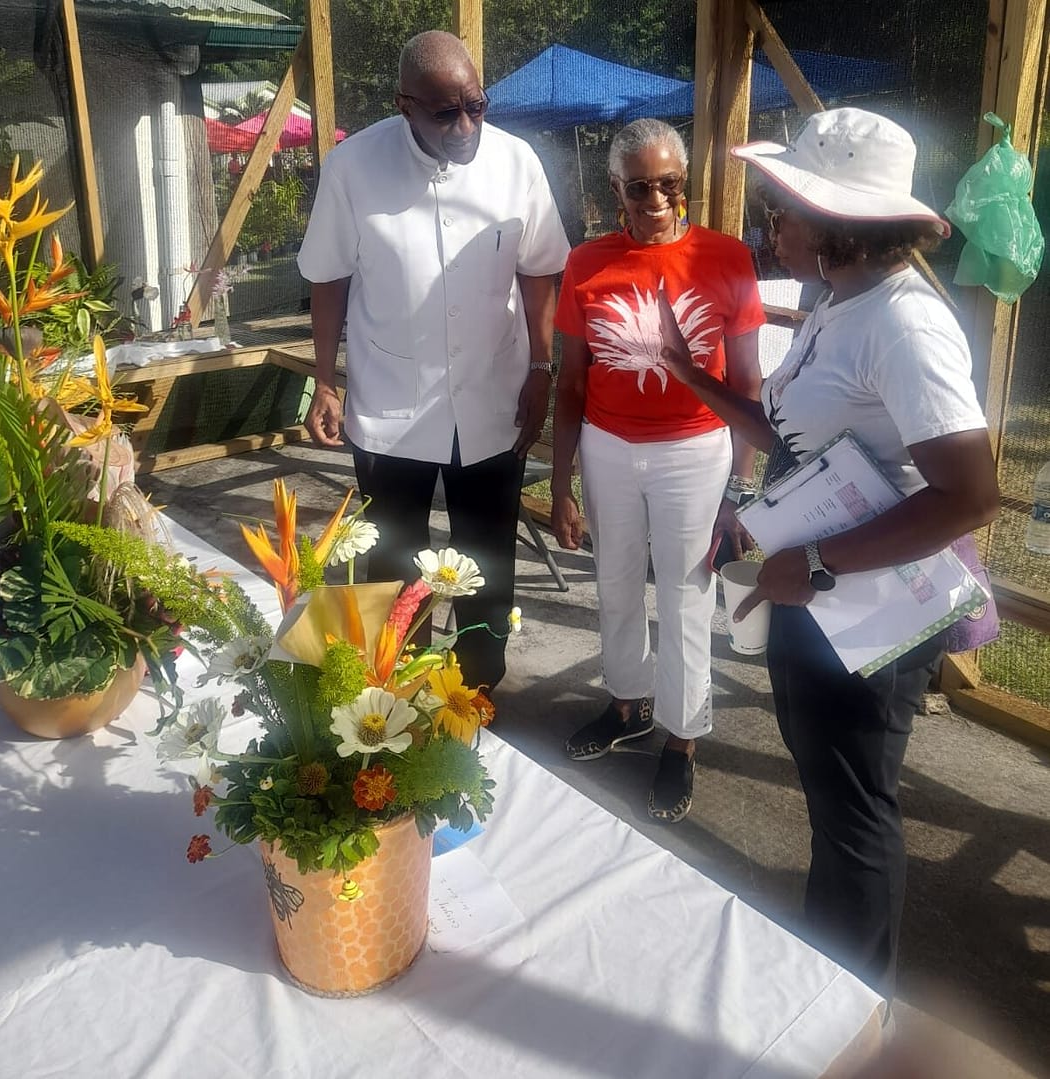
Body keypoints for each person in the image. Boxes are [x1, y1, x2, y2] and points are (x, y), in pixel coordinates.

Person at [658, 108, 1000, 995]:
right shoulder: (837, 302)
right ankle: (827, 975)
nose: (772, 222)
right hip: (818, 592)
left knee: (854, 815)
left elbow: (968, 494)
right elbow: (796, 441)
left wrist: (812, 566)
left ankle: (851, 1008)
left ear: (837, 222)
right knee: (829, 795)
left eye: (784, 205)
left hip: (865, 605)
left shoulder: (904, 326)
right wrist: (691, 374)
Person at [297, 31, 570, 690]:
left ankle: (477, 688)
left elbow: (538, 271)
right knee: (393, 561)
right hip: (389, 402)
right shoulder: (352, 168)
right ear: (404, 105)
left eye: (475, 105)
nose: (465, 125)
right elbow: (328, 279)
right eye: (445, 112)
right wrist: (324, 380)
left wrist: (540, 370)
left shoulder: (515, 161)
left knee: (487, 558)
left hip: (493, 395)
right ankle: (398, 695)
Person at [551, 118, 764, 822]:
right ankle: (627, 704)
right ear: (614, 186)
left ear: (685, 185)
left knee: (684, 593)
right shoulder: (586, 263)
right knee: (613, 581)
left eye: (669, 184)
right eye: (639, 185)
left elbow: (749, 383)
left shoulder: (726, 257)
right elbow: (570, 383)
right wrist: (560, 484)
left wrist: (739, 485)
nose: (656, 198)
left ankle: (682, 737)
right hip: (607, 446)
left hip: (694, 450)